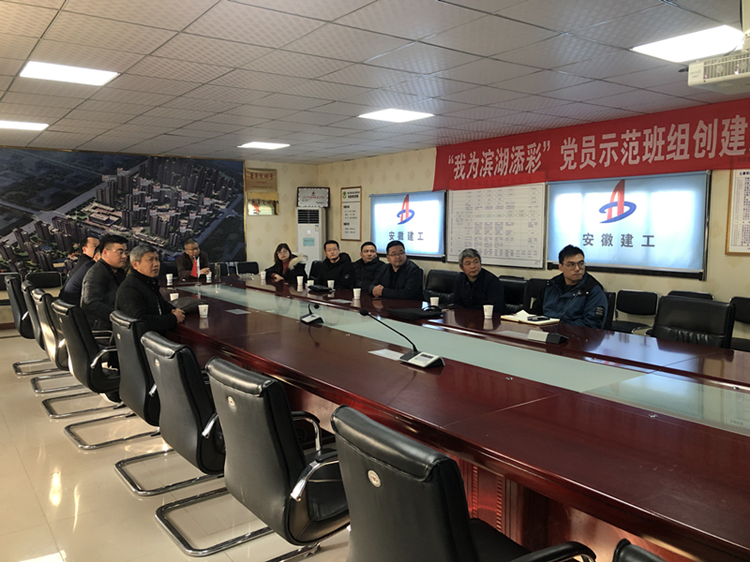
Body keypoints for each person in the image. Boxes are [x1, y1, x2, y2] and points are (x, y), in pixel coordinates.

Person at [533, 244, 608, 329]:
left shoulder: (593, 290)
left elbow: (593, 325)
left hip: (577, 335)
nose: (577, 269)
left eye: (581, 264)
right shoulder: (551, 286)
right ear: (561, 267)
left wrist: (559, 326)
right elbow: (535, 314)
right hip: (546, 333)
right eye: (571, 264)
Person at [116, 244, 185, 335]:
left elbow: (161, 304)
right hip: (142, 341)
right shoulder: (130, 288)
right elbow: (140, 321)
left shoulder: (148, 282)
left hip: (152, 338)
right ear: (135, 264)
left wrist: (173, 310)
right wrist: (173, 318)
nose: (156, 264)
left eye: (157, 259)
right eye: (150, 260)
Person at [81, 234, 128, 331]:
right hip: (103, 328)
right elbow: (91, 303)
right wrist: (118, 318)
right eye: (120, 252)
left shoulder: (118, 272)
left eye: (125, 252)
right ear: (105, 252)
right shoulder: (96, 273)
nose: (124, 256)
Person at [453, 248, 505, 313]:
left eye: (476, 262)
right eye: (468, 263)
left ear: (480, 263)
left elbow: (496, 308)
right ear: (461, 267)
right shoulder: (459, 280)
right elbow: (457, 304)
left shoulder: (492, 281)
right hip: (466, 317)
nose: (473, 266)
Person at [60, 236, 100, 305]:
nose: (99, 249)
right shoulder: (89, 265)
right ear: (84, 249)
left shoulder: (82, 261)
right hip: (74, 305)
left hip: (64, 302)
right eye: (95, 246)